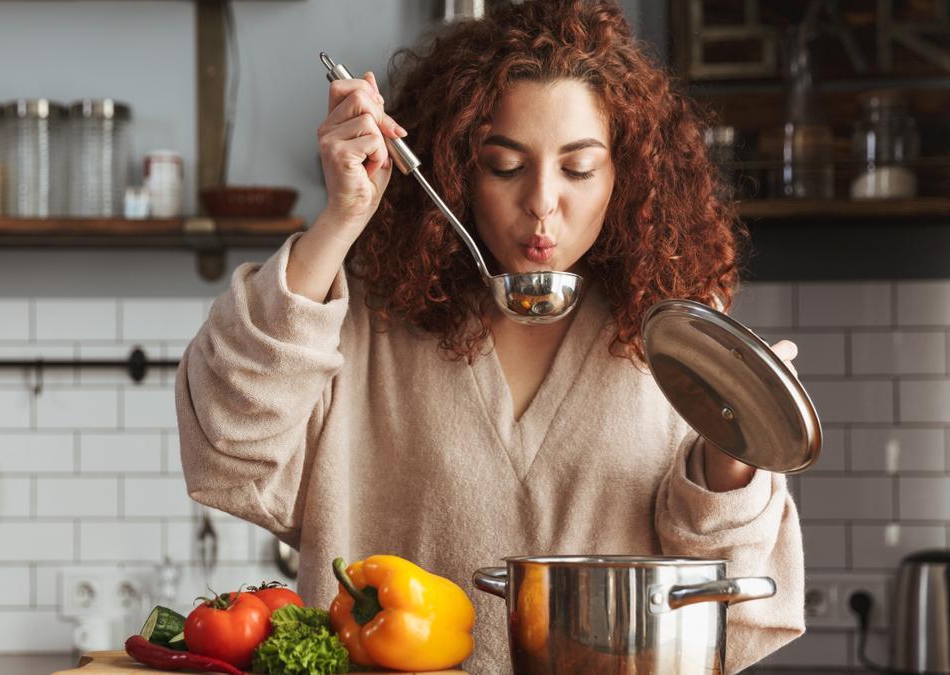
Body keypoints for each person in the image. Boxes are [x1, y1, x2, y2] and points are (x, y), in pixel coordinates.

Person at [176, 1, 805, 671]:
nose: (541, 201)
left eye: (579, 169)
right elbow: (230, 447)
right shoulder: (367, 320)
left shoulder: (680, 340)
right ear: (455, 169)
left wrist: (733, 450)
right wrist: (339, 220)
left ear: (628, 177)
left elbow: (730, 609)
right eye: (504, 166)